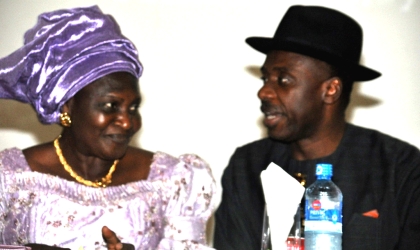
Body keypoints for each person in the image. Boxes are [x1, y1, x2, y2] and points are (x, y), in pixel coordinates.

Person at [0, 6, 216, 250]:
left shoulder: (172, 182)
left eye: (133, 108)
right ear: (67, 108)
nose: (127, 122)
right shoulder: (10, 178)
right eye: (110, 106)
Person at [213, 5, 420, 250]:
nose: (264, 91)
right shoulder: (247, 167)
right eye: (265, 78)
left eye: (284, 80)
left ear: (330, 90)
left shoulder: (399, 169)